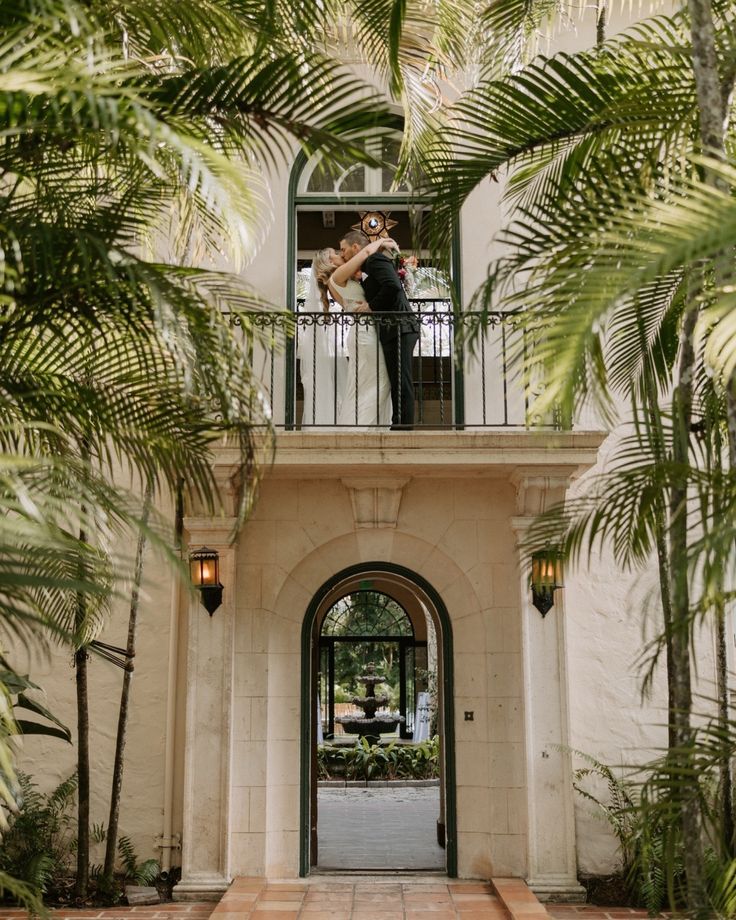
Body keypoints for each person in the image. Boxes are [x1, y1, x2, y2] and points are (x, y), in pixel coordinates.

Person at [339, 230, 420, 429]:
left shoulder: (374, 260)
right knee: (397, 380)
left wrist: (370, 306)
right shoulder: (366, 268)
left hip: (400, 326)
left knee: (402, 381)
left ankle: (403, 429)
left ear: (356, 247)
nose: (342, 255)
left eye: (343, 250)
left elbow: (392, 286)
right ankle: (399, 425)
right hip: (391, 328)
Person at [328, 238, 394, 427]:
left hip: (364, 332)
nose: (341, 254)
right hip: (365, 334)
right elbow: (364, 253)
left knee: (363, 386)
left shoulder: (347, 279)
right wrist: (380, 241)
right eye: (336, 252)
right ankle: (360, 429)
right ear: (329, 262)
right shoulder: (337, 276)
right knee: (381, 381)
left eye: (341, 250)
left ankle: (360, 428)